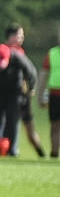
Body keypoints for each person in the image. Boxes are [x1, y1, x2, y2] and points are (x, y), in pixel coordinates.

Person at [4, 26, 45, 157]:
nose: (22, 38)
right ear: (11, 36)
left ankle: (42, 155)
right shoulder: (4, 51)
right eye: (19, 35)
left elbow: (31, 72)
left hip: (22, 96)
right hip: (8, 96)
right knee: (11, 124)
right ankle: (11, 151)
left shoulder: (20, 52)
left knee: (29, 129)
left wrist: (31, 88)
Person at [44, 28, 60, 159]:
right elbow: (43, 74)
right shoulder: (52, 53)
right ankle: (54, 153)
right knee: (55, 125)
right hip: (54, 94)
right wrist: (40, 94)